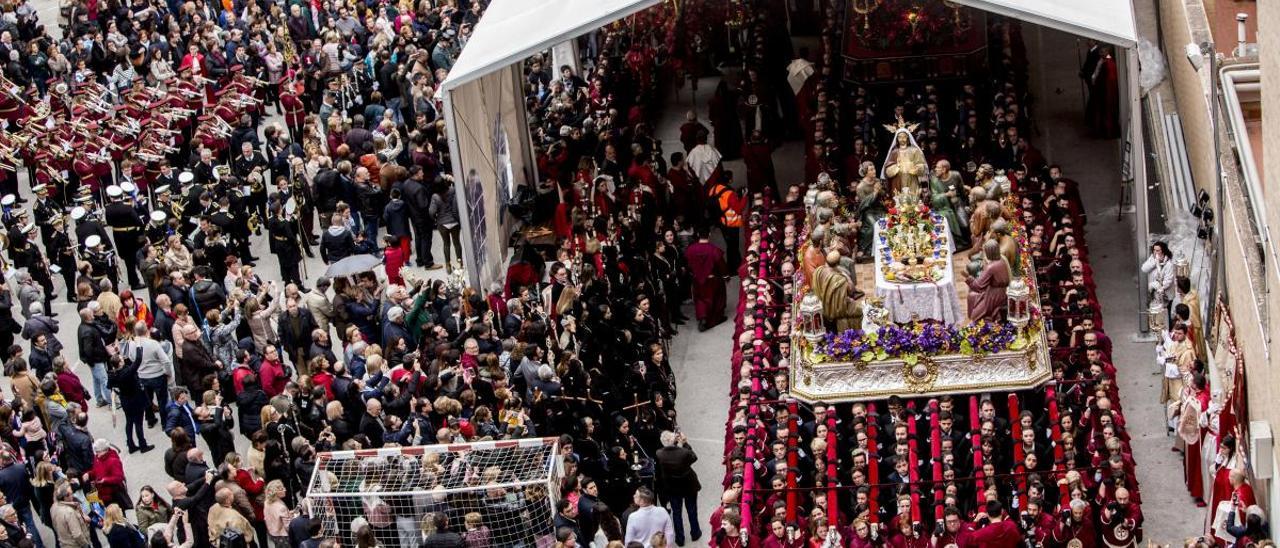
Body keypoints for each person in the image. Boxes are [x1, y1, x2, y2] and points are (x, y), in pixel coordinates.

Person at [654, 430, 702, 546]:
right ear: (674, 440)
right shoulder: (683, 452)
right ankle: (695, 533)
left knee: (676, 513)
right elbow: (694, 457)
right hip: (688, 485)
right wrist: (685, 443)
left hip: (672, 487)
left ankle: (680, 539)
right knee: (692, 510)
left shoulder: (659, 453)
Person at [684, 227, 727, 332]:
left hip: (697, 280)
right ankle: (714, 319)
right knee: (716, 298)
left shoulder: (690, 249)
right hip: (711, 280)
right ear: (709, 235)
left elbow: (687, 264)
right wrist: (725, 276)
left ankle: (702, 317)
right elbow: (721, 265)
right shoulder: (714, 250)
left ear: (698, 234)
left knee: (700, 299)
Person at [965, 239, 1011, 323]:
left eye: (985, 251)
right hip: (1002, 291)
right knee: (972, 297)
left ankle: (981, 325)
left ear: (989, 252)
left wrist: (969, 278)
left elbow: (978, 286)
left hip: (994, 296)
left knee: (975, 315)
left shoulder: (991, 267)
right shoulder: (1002, 259)